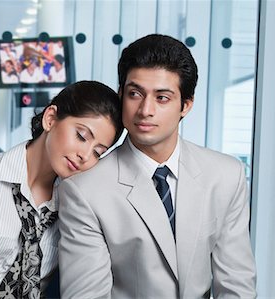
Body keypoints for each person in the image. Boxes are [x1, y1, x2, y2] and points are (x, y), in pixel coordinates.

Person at [58, 34, 257, 298]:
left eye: (162, 98)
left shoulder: (225, 175)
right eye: (134, 94)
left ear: (186, 105)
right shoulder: (84, 190)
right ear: (121, 96)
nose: (145, 110)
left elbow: (237, 286)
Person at [0, 80, 124, 299]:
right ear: (50, 118)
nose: (85, 155)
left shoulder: (73, 198)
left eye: (98, 152)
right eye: (81, 136)